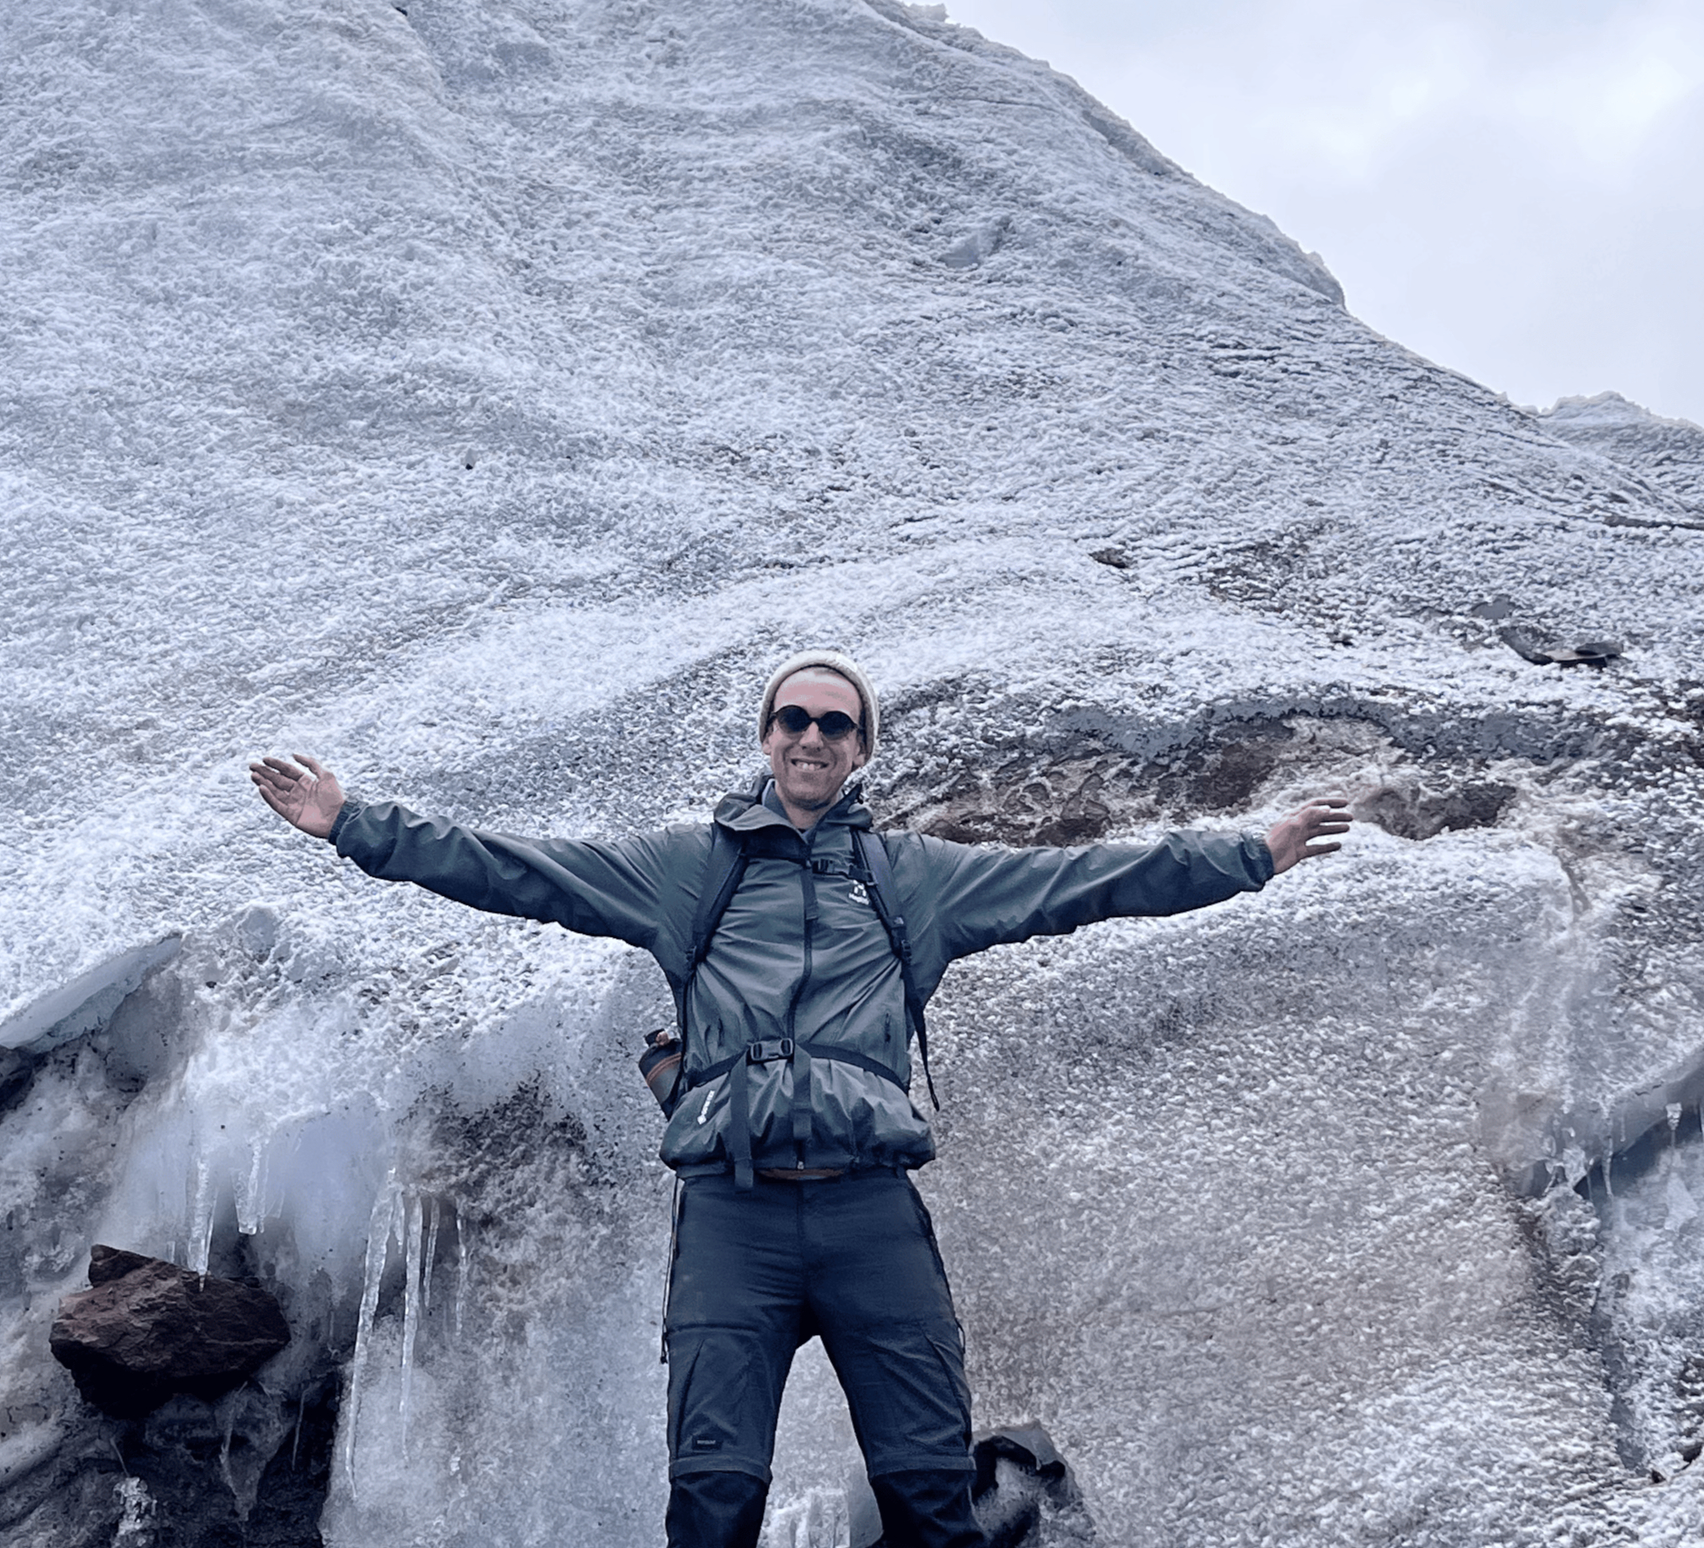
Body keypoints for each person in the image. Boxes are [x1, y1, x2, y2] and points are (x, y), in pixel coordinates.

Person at [251, 649, 1351, 1548]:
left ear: (862, 748)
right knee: (712, 1499)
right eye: (793, 717)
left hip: (870, 1215)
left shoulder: (915, 877)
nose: (812, 736)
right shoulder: (688, 870)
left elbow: (1089, 880)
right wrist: (355, 823)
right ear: (766, 735)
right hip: (734, 1222)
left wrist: (1248, 853)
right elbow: (512, 867)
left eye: (835, 722)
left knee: (929, 1492)